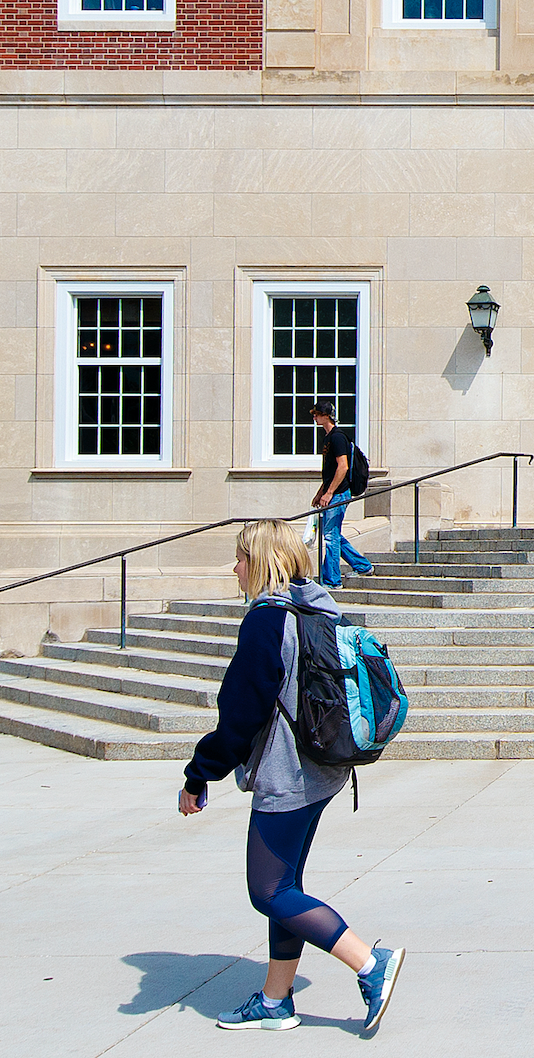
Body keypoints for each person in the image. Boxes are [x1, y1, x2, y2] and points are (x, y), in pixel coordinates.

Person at [179, 518, 404, 1033]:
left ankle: (371, 963)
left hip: (288, 773)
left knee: (269, 892)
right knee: (286, 885)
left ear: (260, 561)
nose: (234, 567)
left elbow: (241, 713)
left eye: (239, 557)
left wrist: (200, 774)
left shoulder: (265, 621)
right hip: (323, 769)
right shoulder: (316, 608)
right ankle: (276, 1000)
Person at [309, 409, 373, 589]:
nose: (314, 418)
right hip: (332, 492)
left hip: (339, 493)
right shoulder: (328, 438)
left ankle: (332, 581)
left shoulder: (337, 437)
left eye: (316, 414)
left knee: (330, 536)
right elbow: (330, 472)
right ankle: (362, 565)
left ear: (326, 415)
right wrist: (321, 492)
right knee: (333, 534)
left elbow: (342, 467)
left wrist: (329, 493)